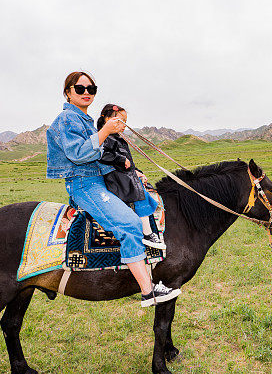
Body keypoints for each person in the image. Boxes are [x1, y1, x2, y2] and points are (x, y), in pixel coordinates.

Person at [46, 71, 180, 307]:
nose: (86, 93)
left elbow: (102, 157)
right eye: (80, 89)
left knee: (142, 196)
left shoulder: (85, 120)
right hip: (84, 184)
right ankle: (148, 292)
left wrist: (130, 172)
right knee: (129, 223)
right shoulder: (67, 120)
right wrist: (105, 131)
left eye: (91, 89)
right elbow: (77, 154)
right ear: (68, 92)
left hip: (99, 181)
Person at [96, 103, 166, 250]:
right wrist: (122, 161)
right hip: (114, 178)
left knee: (144, 191)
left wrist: (137, 171)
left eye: (125, 123)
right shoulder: (105, 137)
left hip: (122, 174)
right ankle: (147, 233)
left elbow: (128, 162)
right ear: (107, 118)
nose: (124, 126)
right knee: (138, 192)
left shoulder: (117, 138)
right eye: (121, 122)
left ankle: (148, 220)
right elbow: (102, 155)